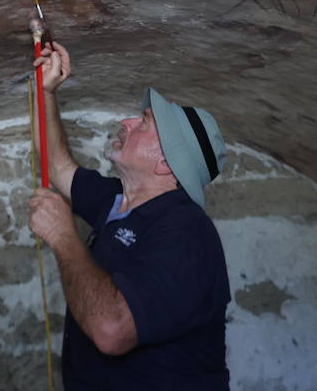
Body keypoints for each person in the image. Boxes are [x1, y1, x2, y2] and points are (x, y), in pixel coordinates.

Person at [27, 42, 231, 390]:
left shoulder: (187, 231)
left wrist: (63, 236)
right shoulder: (117, 199)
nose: (126, 121)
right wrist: (44, 92)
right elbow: (58, 167)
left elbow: (111, 331)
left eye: (144, 122)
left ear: (166, 162)